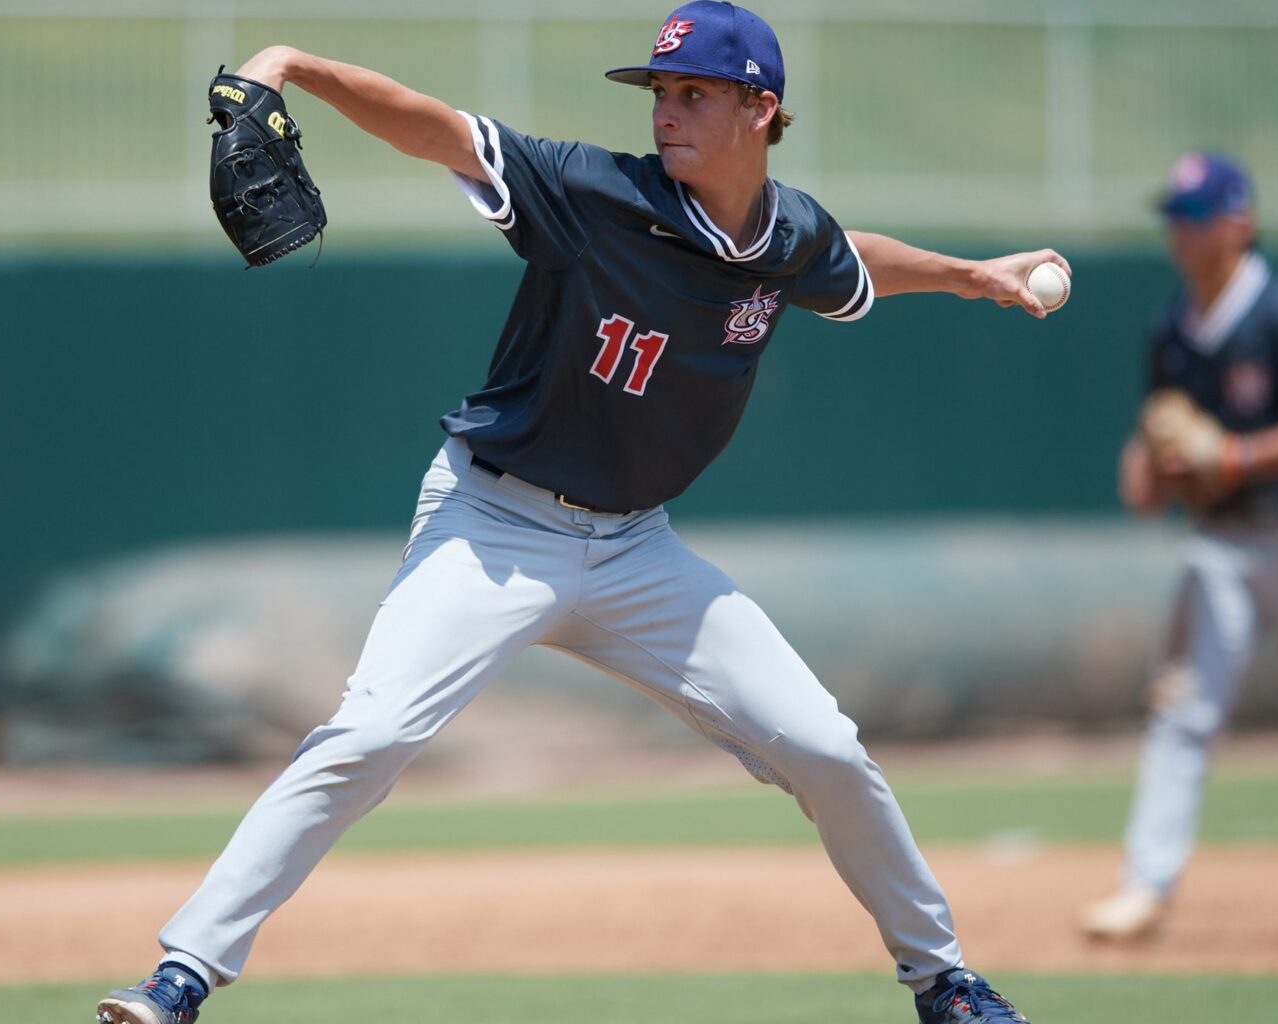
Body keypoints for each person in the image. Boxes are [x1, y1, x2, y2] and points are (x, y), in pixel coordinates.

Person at [98, 5, 1064, 1022]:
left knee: (826, 748)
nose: (667, 111)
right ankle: (184, 973)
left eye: (693, 92)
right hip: (496, 526)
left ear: (760, 108)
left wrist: (968, 276)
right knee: (370, 731)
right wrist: (295, 63)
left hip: (637, 548)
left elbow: (845, 263)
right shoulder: (593, 192)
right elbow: (437, 127)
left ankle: (944, 978)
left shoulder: (787, 236)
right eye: (659, 91)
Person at [1079, 152, 1278, 944]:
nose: (1180, 234)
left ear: (1240, 222)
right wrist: (1147, 469)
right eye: (1174, 219)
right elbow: (1158, 428)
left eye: (1195, 217)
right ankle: (1145, 888)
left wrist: (1237, 458)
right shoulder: (1174, 329)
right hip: (1221, 544)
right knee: (1181, 710)